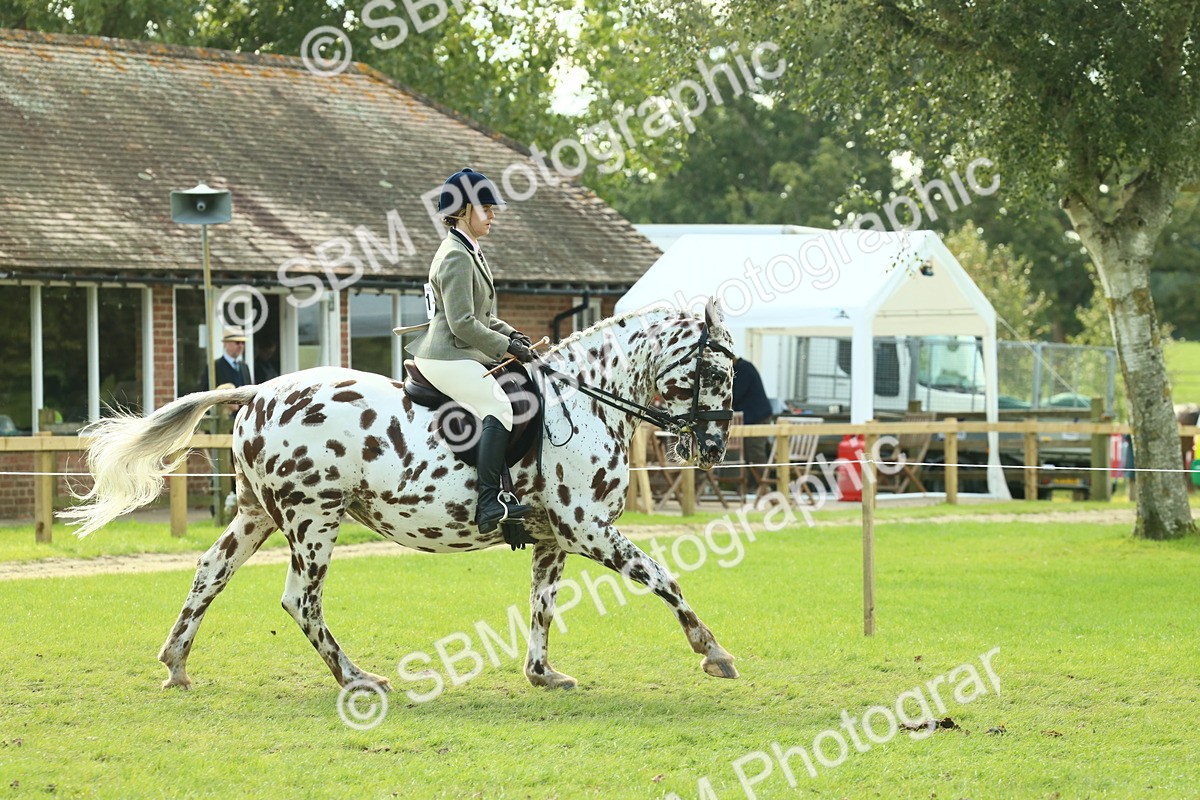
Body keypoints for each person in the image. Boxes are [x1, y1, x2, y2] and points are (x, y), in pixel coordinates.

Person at [406, 168, 536, 535]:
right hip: (445, 353)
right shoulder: (455, 256)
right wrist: (504, 347)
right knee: (498, 405)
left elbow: (485, 316)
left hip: (460, 349)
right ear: (464, 210)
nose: (493, 216)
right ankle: (488, 502)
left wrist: (516, 337)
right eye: (487, 209)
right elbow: (463, 323)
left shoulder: (470, 250)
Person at [733, 356, 774, 495]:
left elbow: (735, 395)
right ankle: (752, 486)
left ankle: (763, 485)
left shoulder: (743, 369)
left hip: (758, 417)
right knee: (748, 453)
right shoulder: (742, 367)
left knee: (755, 452)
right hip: (751, 418)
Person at [198, 326, 253, 391]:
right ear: (226, 343)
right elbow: (205, 393)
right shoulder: (214, 367)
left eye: (243, 343)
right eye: (237, 342)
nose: (241, 346)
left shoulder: (244, 367)